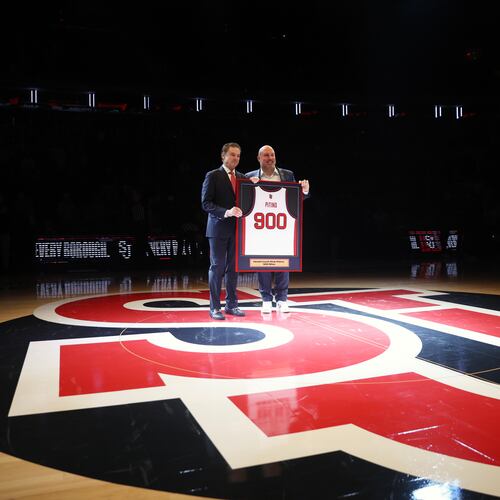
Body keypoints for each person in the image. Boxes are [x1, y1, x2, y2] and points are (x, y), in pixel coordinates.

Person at [246, 145, 310, 314]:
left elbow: (296, 199)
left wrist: (305, 191)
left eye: (272, 155)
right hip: (260, 229)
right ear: (259, 158)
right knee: (263, 265)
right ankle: (266, 299)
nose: (270, 158)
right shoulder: (249, 177)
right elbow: (244, 202)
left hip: (282, 228)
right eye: (266, 155)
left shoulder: (287, 174)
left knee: (283, 263)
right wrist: (249, 188)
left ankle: (282, 299)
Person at [201, 142, 247, 320]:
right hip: (218, 229)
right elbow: (206, 203)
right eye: (232, 154)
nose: (235, 158)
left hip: (237, 230)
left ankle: (231, 305)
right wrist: (226, 212)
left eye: (238, 155)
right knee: (217, 267)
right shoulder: (213, 175)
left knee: (233, 269)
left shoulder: (242, 178)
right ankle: (214, 308)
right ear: (223, 156)